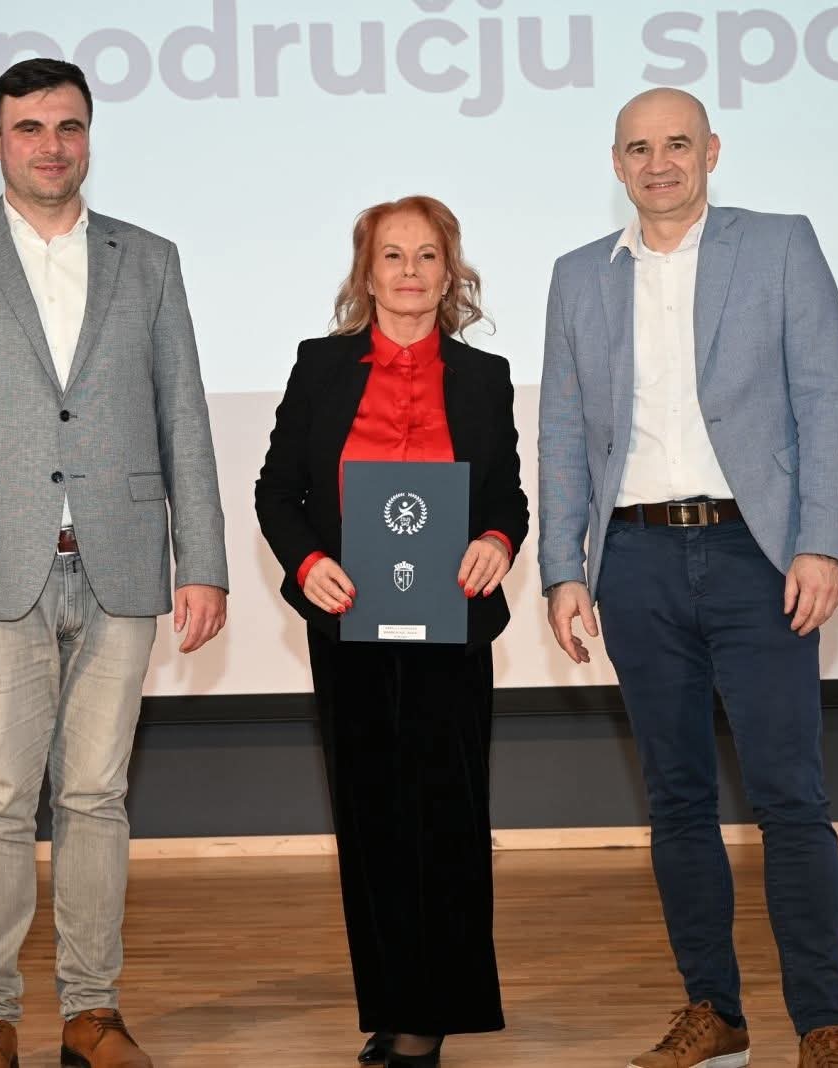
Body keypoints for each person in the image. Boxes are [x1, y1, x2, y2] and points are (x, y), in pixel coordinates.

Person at [0, 58, 228, 1068]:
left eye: (68, 126)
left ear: (88, 138)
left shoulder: (147, 258)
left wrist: (202, 560)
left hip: (120, 564)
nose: (50, 145)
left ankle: (92, 1013)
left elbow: (184, 417)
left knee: (95, 799)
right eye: (28, 127)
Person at [538, 88, 838, 1068]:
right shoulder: (578, 276)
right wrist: (562, 568)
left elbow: (826, 400)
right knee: (676, 800)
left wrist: (822, 543)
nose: (659, 163)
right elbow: (561, 431)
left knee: (788, 797)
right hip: (634, 561)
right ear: (616, 164)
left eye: (677, 144)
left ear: (711, 151)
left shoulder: (779, 245)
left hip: (755, 557)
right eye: (638, 149)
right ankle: (713, 1012)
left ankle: (821, 1023)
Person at [255, 196, 527, 1067]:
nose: (410, 271)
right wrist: (306, 564)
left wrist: (497, 540)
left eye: (427, 256)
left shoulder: (484, 377)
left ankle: (434, 1012)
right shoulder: (321, 367)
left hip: (452, 626)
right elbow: (278, 492)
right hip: (349, 623)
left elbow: (507, 497)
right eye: (393, 256)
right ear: (366, 274)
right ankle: (393, 1001)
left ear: (451, 274)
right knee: (370, 818)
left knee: (447, 816)